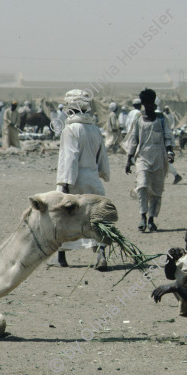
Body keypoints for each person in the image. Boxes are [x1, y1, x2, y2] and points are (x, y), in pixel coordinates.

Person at [55, 89, 110, 271]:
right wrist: (102, 173)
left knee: (64, 217)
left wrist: (64, 184)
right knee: (95, 220)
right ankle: (100, 253)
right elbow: (103, 157)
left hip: (76, 180)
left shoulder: (70, 130)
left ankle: (61, 256)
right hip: (93, 180)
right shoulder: (95, 129)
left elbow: (69, 158)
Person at [125, 88, 174, 232]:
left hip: (159, 157)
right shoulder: (138, 120)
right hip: (142, 157)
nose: (149, 105)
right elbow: (134, 140)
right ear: (143, 104)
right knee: (142, 185)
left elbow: (168, 136)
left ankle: (151, 219)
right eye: (146, 103)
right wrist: (129, 159)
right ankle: (142, 216)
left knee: (156, 190)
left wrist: (170, 151)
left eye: (151, 102)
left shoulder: (161, 119)